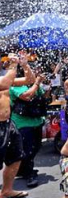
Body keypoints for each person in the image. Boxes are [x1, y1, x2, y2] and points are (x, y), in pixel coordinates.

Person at [0, 52, 35, 198]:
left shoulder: (4, 78)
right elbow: (4, 84)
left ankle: (7, 190)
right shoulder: (4, 80)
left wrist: (25, 65)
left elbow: (29, 80)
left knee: (16, 157)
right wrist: (14, 65)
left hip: (8, 124)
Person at [10, 64, 50, 188]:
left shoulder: (33, 83)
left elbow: (44, 97)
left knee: (36, 146)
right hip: (22, 123)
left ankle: (22, 169)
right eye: (33, 72)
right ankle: (29, 174)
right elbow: (27, 96)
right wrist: (37, 83)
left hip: (36, 121)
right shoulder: (16, 85)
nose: (36, 73)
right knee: (28, 149)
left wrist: (47, 86)